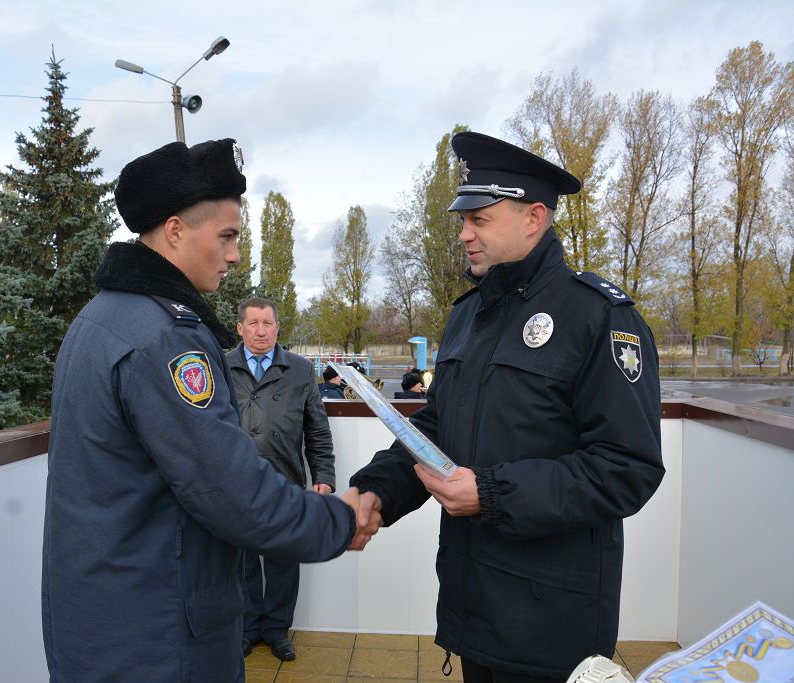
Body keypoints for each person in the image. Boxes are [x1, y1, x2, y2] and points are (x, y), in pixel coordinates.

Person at [41, 138, 379, 683]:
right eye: (226, 236)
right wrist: (338, 520)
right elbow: (230, 491)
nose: (235, 255)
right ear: (175, 231)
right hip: (158, 637)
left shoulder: (99, 318)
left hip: (101, 622)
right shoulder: (165, 340)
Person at [349, 131, 664, 682]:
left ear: (534, 217)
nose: (465, 235)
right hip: (477, 607)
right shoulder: (470, 314)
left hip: (553, 622)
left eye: (480, 219)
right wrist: (375, 490)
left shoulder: (598, 317)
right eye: (463, 221)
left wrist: (492, 494)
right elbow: (437, 430)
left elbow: (627, 468)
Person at [226, 297, 335, 661]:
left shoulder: (301, 370)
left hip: (284, 480)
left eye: (267, 323)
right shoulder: (221, 367)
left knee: (283, 561)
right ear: (239, 328)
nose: (261, 330)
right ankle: (248, 627)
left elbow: (317, 430)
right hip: (235, 482)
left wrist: (324, 477)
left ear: (277, 328)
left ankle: (276, 630)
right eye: (253, 323)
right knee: (240, 562)